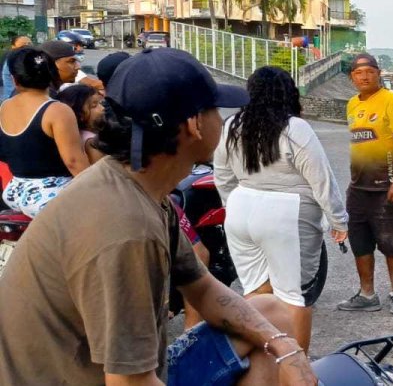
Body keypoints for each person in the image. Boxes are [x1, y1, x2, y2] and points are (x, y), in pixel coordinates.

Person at [0, 47, 318, 385]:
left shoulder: (137, 183)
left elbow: (203, 288)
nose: (222, 121)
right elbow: (128, 382)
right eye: (216, 110)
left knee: (271, 314)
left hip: (113, 372)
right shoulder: (125, 227)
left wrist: (287, 348)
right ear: (194, 124)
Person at [214, 66, 350, 351]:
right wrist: (338, 221)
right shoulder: (294, 128)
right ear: (289, 94)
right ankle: (295, 373)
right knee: (295, 296)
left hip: (241, 208)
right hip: (287, 214)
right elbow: (321, 180)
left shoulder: (232, 126)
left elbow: (222, 175)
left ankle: (258, 367)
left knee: (255, 291)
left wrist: (233, 204)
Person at [339, 53, 393, 315]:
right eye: (359, 73)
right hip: (358, 186)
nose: (364, 76)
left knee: (392, 242)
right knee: (360, 241)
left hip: (386, 185)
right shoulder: (351, 105)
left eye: (370, 71)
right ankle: (367, 294)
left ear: (379, 73)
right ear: (352, 77)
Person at [0, 47, 90, 216]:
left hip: (15, 191)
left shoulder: (4, 107)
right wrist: (99, 189)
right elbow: (74, 162)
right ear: (51, 75)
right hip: (51, 194)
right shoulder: (57, 111)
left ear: (14, 80)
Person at [54, 83, 106, 164]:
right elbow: (102, 173)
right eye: (94, 105)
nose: (102, 108)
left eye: (101, 103)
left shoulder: (75, 136)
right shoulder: (91, 143)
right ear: (79, 114)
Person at [1, 34, 30, 99]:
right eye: (23, 45)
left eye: (29, 44)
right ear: (13, 47)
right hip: (15, 98)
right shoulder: (14, 60)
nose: (27, 47)